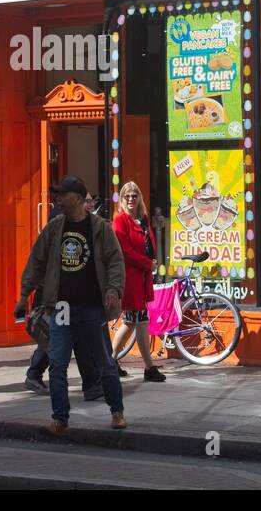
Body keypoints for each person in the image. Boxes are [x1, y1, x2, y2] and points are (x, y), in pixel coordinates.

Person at [15, 175, 127, 436]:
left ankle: (117, 411)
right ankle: (60, 419)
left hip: (92, 307)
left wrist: (113, 289)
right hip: (61, 308)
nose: (58, 199)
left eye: (62, 195)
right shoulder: (54, 228)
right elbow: (36, 261)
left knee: (105, 363)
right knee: (57, 364)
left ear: (78, 198)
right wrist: (24, 294)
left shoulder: (100, 228)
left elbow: (115, 262)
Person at [111, 181, 166, 382]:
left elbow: (147, 244)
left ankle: (111, 361)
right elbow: (124, 251)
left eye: (134, 195)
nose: (131, 199)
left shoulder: (142, 219)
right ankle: (149, 367)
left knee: (131, 322)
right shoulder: (120, 220)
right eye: (127, 196)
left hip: (142, 277)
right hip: (130, 278)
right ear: (122, 199)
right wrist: (146, 263)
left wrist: (151, 261)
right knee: (140, 321)